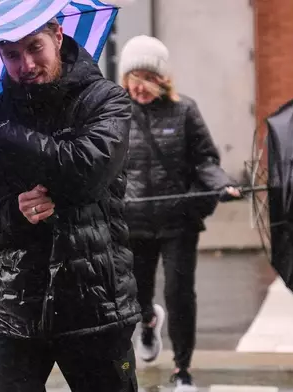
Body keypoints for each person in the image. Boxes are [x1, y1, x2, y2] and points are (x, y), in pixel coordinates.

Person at [0, 19, 141, 392]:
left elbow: (85, 172)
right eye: (12, 55)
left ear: (57, 37)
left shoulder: (105, 100)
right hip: (13, 306)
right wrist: (12, 213)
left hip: (94, 303)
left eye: (35, 47)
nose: (26, 65)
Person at [118, 35, 241, 392]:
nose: (140, 87)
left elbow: (206, 160)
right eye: (134, 78)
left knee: (179, 294)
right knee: (137, 294)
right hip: (134, 221)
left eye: (148, 78)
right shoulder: (116, 114)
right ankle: (146, 321)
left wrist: (222, 184)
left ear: (163, 79)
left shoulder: (184, 110)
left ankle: (182, 369)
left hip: (178, 221)